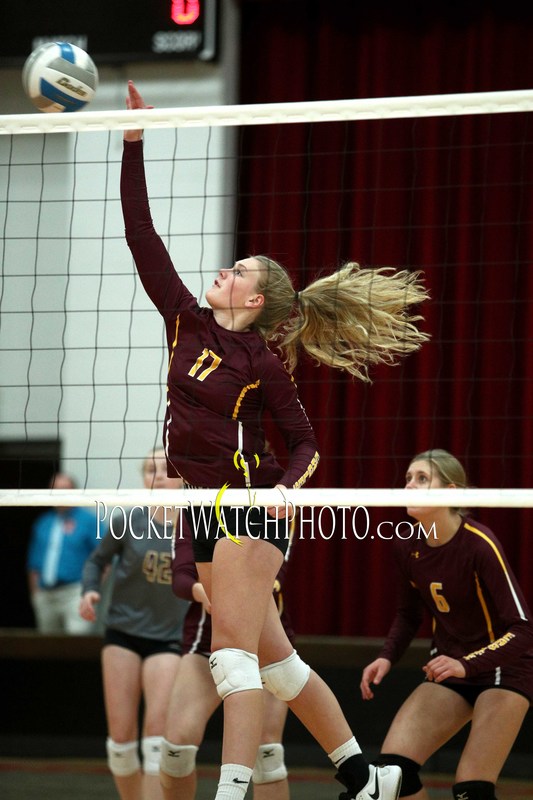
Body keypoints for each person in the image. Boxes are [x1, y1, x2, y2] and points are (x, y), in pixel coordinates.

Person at [121, 79, 430, 800]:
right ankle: (364, 776)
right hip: (203, 503)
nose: (222, 271)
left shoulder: (261, 362)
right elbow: (141, 237)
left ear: (254, 301)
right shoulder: (184, 319)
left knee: (233, 661)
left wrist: (284, 492)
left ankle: (231, 793)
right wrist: (133, 145)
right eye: (229, 268)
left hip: (247, 505)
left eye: (238, 273)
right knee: (278, 665)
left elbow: (307, 444)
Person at [360, 449, 533, 800]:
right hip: (452, 667)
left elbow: (524, 629)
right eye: (408, 478)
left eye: (422, 479)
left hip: (504, 669)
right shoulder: (406, 545)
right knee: (390, 775)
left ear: (451, 491)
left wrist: (465, 664)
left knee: (470, 789)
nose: (410, 486)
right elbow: (410, 614)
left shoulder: (479, 545)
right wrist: (387, 656)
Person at [159, 515, 295, 800]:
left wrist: (229, 591)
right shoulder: (194, 508)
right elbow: (181, 576)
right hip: (207, 643)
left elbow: (274, 576)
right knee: (175, 751)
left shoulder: (271, 503)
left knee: (267, 755)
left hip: (264, 646)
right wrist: (203, 591)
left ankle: (356, 767)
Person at [79, 448, 189, 800]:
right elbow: (96, 562)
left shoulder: (197, 527)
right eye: (149, 469)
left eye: (163, 469)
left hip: (169, 639)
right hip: (123, 634)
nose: (155, 475)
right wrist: (90, 592)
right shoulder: (128, 519)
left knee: (156, 740)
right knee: (121, 745)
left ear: (182, 477)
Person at [27, 472, 99, 634]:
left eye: (65, 489)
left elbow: (104, 559)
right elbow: (33, 564)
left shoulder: (89, 521)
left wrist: (91, 590)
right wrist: (36, 595)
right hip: (45, 595)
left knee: (76, 648)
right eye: (56, 489)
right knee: (47, 649)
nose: (60, 493)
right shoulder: (43, 522)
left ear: (74, 491)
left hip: (75, 593)